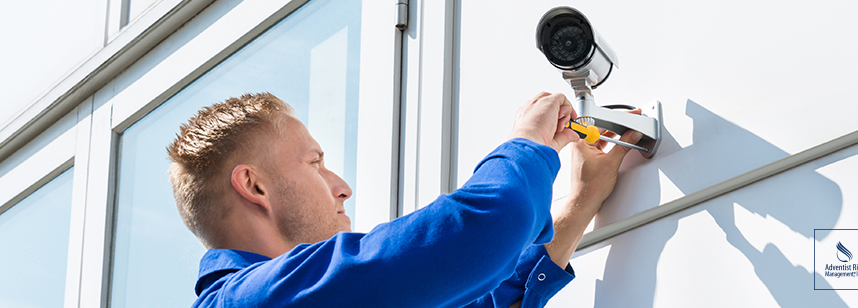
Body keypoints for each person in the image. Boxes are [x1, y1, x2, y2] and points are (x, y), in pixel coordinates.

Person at [167, 92, 642, 308]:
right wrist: (528, 143)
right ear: (254, 186)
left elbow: (486, 297)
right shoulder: (257, 302)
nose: (341, 186)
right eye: (314, 163)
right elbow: (484, 227)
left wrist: (580, 200)